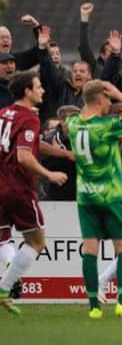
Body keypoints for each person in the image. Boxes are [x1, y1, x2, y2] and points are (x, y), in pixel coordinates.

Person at [67, 80, 122, 318]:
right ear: (102, 98)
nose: (109, 104)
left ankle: (94, 306)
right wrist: (121, 96)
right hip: (111, 195)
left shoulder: (72, 123)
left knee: (90, 249)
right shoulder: (107, 125)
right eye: (108, 100)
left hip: (86, 197)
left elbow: (83, 113)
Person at [0, 71, 68, 314]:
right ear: (27, 91)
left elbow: (30, 145)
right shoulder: (29, 118)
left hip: (0, 185)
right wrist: (49, 174)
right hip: (18, 188)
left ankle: (6, 279)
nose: (43, 90)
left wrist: (64, 154)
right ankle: (4, 287)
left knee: (3, 238)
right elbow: (24, 155)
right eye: (38, 87)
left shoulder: (3, 114)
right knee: (37, 242)